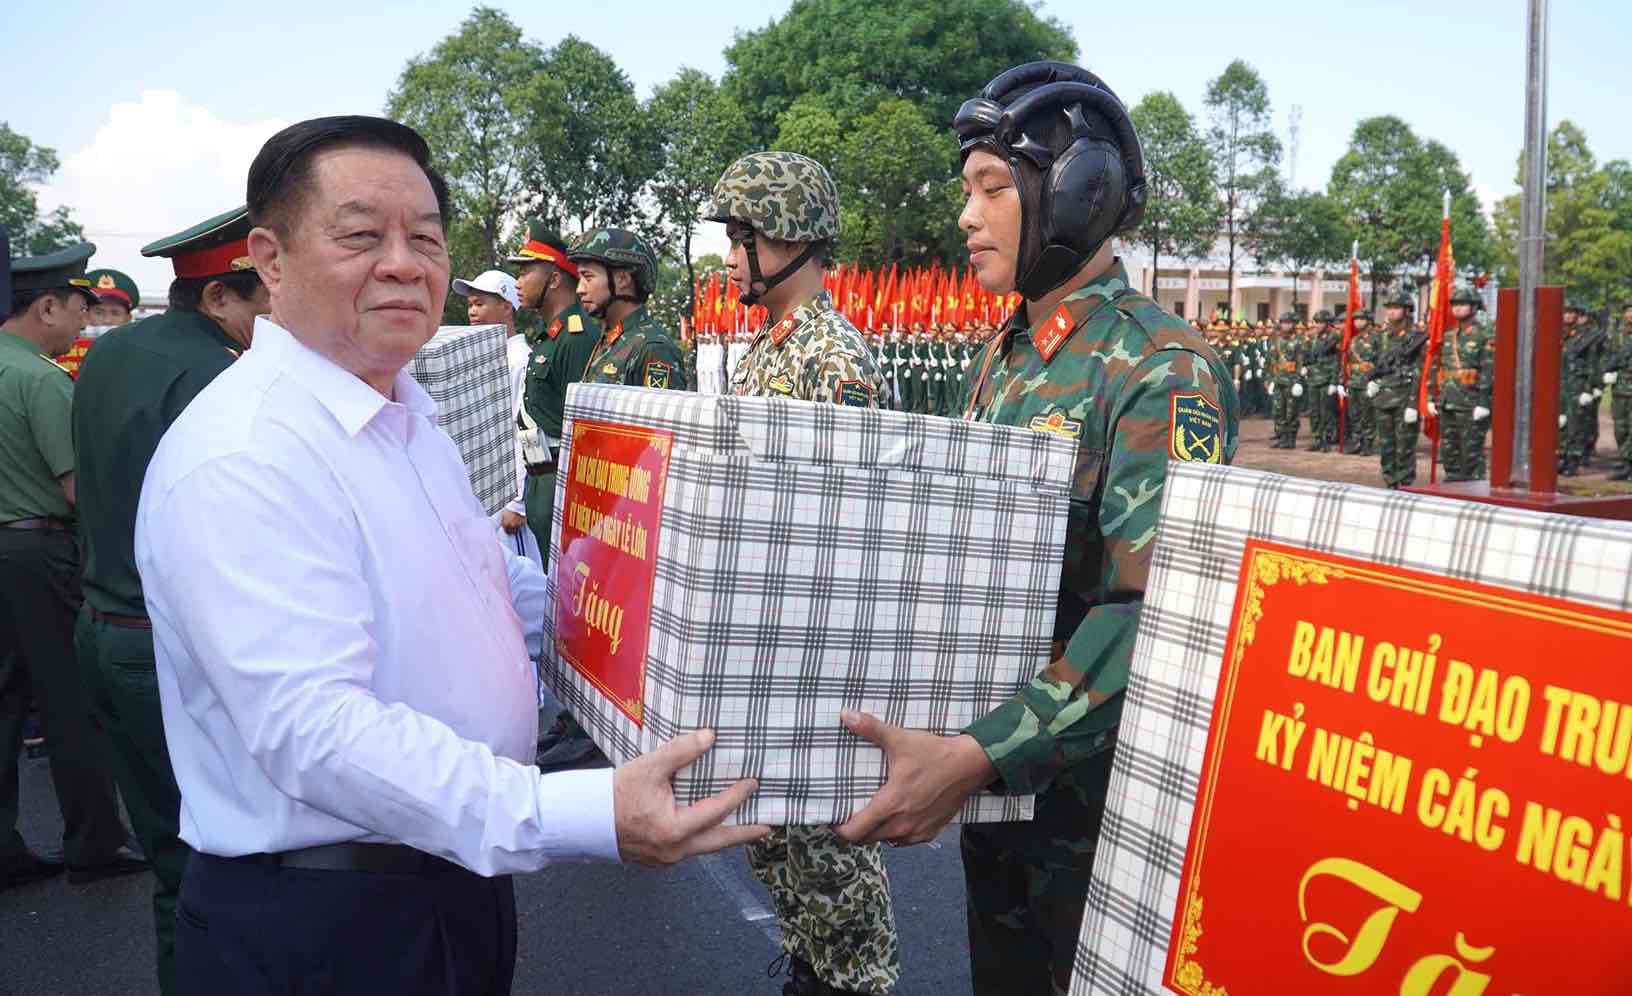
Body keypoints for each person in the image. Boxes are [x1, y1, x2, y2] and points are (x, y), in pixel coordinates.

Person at [132, 115, 765, 994]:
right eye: (360, 236)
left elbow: (494, 601)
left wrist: (667, 648)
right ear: (270, 261)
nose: (404, 263)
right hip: (327, 925)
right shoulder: (247, 452)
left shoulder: (406, 418)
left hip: (447, 881)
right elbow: (315, 733)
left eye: (425, 238)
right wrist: (574, 810)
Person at [833, 63, 1238, 994]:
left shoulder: (1159, 369)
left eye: (989, 188)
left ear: (1075, 195)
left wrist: (977, 756)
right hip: (1005, 800)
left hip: (1099, 820)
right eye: (963, 191)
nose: (965, 217)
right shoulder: (1007, 358)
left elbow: (1159, 615)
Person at [705, 150, 897, 996]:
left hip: (819, 667)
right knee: (782, 855)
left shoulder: (835, 360)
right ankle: (815, 970)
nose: (729, 256)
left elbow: (858, 531)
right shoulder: (765, 351)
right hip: (767, 649)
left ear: (791, 238)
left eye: (743, 235)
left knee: (834, 872)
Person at [72, 206, 266, 992]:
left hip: (105, 627)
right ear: (220, 298)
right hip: (169, 647)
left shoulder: (112, 350)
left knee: (170, 864)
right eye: (267, 298)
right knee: (224, 871)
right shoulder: (221, 376)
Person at [1, 243, 148, 891]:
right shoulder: (40, 378)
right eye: (78, 308)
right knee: (74, 704)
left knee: (4, 706)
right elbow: (76, 490)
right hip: (42, 553)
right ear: (47, 305)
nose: (82, 323)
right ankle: (96, 841)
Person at [508, 221, 600, 566]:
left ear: (555, 278)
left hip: (563, 484)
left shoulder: (577, 336)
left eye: (527, 271)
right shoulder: (553, 334)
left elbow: (582, 427)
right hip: (541, 480)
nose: (518, 281)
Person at [450, 267, 538, 563]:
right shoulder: (484, 358)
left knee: (522, 585)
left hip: (507, 504)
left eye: (480, 303)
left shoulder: (519, 361)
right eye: (470, 304)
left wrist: (518, 503)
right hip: (482, 499)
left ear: (507, 307)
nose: (472, 312)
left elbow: (525, 431)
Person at [570, 228, 684, 389]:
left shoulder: (653, 349)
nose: (579, 289)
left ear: (623, 279)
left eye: (588, 277)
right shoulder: (610, 339)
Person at [1429, 286, 1494, 482]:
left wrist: (1483, 402)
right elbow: (1438, 367)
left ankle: (1474, 487)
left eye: (1463, 304)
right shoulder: (1449, 336)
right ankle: (1453, 482)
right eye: (1455, 304)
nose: (1457, 308)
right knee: (1449, 448)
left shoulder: (1484, 335)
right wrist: (1433, 396)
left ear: (1474, 307)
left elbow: (1489, 370)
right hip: (1448, 399)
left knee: (1471, 450)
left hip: (1471, 401)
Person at [1370, 293, 1428, 488]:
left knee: (1404, 447)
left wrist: (1414, 404)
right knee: (1386, 447)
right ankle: (1390, 483)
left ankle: (1404, 486)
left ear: (1407, 310)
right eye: (1389, 307)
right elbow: (1376, 365)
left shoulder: (1416, 337)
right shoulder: (1383, 337)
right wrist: (1374, 380)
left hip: (1404, 399)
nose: (1391, 311)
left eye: (1396, 307)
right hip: (1383, 397)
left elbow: (1420, 371)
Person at [1266, 311, 1304, 448]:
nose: (1285, 325)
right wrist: (1271, 379)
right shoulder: (1277, 341)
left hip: (1291, 381)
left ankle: (1291, 439)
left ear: (1293, 324)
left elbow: (1301, 363)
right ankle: (1282, 437)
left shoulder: (1299, 341)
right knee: (1278, 410)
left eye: (1288, 323)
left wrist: (1298, 381)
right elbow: (1272, 362)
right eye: (1283, 323)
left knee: (1291, 411)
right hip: (1279, 380)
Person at [1605, 301, 1632, 481]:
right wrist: (1608, 371)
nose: (1630, 314)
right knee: (1620, 428)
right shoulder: (1620, 335)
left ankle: (1629, 464)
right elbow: (1610, 356)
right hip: (1621, 388)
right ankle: (1625, 460)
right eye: (1628, 311)